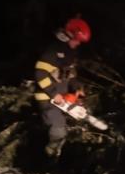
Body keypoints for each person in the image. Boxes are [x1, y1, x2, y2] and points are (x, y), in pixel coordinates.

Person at [33, 16, 91, 158]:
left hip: (62, 96)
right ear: (69, 35)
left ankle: (54, 154)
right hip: (47, 97)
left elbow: (71, 76)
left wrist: (77, 88)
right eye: (77, 40)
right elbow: (40, 73)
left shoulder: (70, 53)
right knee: (58, 129)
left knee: (65, 127)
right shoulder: (54, 49)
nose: (78, 44)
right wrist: (53, 93)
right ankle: (48, 158)